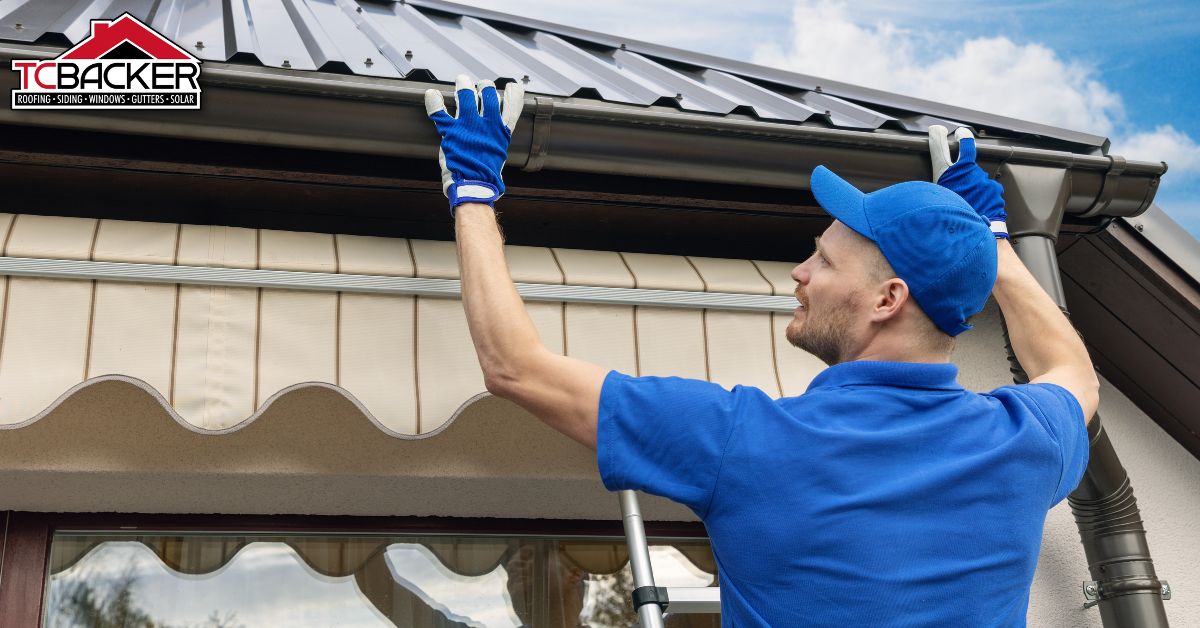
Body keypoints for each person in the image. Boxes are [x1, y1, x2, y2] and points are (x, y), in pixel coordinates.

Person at [426, 75, 1095, 627]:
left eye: (824, 260)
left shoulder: (746, 442)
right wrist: (993, 246)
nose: (800, 272)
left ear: (888, 299)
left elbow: (515, 366)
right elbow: (1073, 373)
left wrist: (474, 191)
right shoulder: (1022, 443)